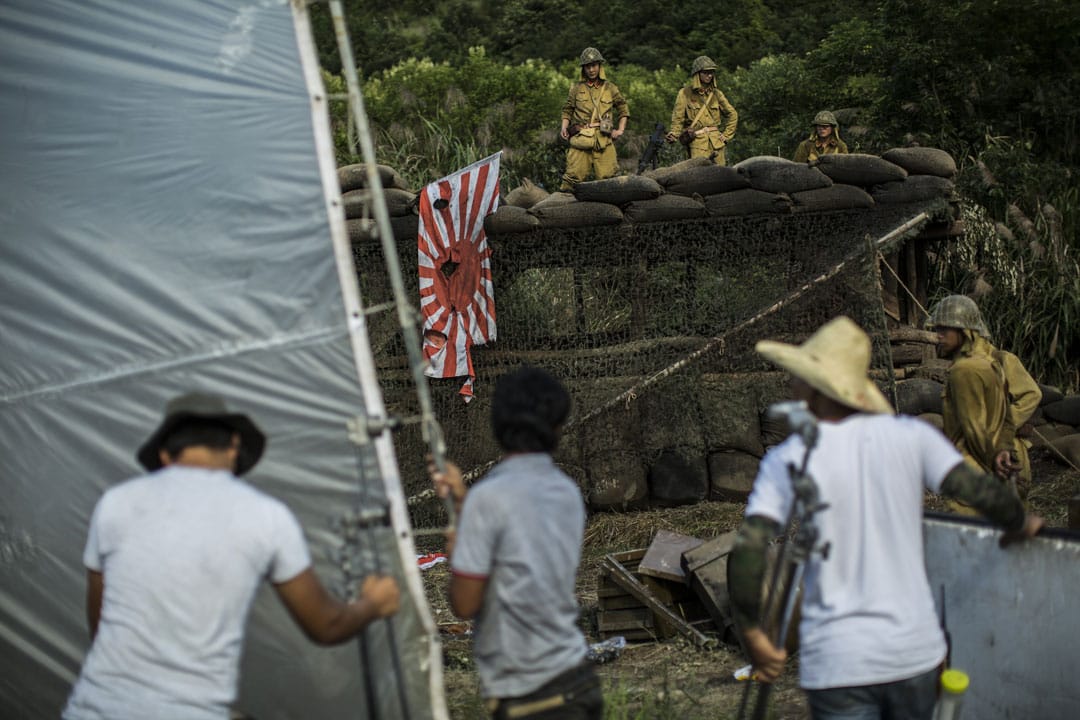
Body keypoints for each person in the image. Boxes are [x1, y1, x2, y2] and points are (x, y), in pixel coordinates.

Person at [726, 317, 1042, 720]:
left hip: (838, 665)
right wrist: (1018, 521)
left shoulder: (787, 458)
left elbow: (749, 550)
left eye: (800, 377)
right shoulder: (911, 436)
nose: (792, 384)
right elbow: (980, 492)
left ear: (816, 388)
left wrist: (753, 635)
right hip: (913, 655)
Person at [63, 392, 400, 720]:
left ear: (165, 455)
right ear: (235, 446)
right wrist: (373, 603)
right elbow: (326, 626)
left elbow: (101, 623)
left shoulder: (115, 504)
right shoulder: (265, 515)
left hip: (91, 708)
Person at [429, 367, 602, 719]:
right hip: (576, 676)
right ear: (556, 427)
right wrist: (465, 503)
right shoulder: (567, 493)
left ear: (498, 425)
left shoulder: (488, 499)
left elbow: (464, 604)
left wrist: (459, 552)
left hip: (529, 694)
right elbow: (521, 544)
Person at [927, 294, 1042, 509]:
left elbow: (1030, 394)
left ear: (966, 332)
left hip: (990, 458)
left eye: (944, 329)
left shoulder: (995, 362)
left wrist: (997, 434)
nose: (937, 336)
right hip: (1001, 455)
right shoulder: (979, 365)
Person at [558, 47, 629, 192]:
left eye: (594, 65)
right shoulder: (576, 89)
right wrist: (564, 128)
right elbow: (567, 110)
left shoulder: (610, 88)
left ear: (599, 66)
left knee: (610, 181)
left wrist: (620, 130)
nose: (591, 70)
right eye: (588, 66)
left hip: (603, 139)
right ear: (583, 68)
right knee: (571, 182)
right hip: (581, 140)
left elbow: (623, 108)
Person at [666, 55, 738, 165]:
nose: (709, 75)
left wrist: (727, 135)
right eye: (705, 72)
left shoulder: (716, 94)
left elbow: (732, 114)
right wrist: (674, 134)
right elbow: (678, 118)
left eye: (712, 72)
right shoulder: (685, 93)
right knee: (699, 176)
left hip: (717, 143)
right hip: (697, 144)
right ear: (697, 73)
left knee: (721, 177)